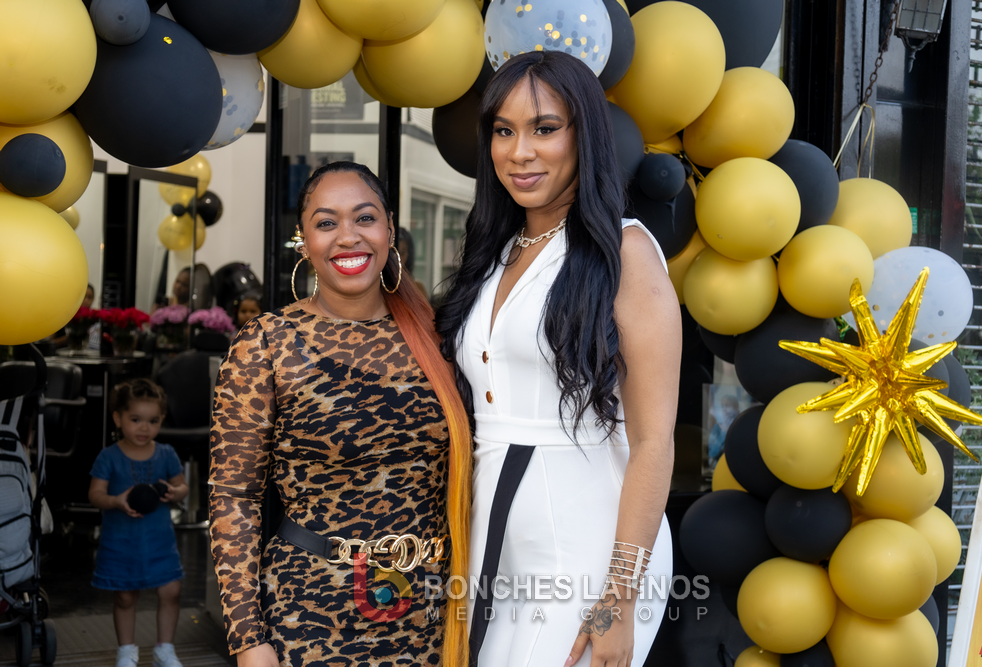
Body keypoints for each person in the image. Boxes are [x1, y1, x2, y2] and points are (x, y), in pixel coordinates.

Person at [436, 51, 681, 666]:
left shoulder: (624, 252)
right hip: (494, 540)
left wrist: (618, 599)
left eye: (544, 128)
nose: (520, 152)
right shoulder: (493, 251)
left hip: (591, 548)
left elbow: (654, 441)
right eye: (504, 131)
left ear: (583, 135)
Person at [209, 162, 472, 667]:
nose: (348, 237)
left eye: (364, 218)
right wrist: (247, 639)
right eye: (326, 223)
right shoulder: (266, 343)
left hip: (431, 611)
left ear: (389, 229)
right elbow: (233, 498)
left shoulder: (442, 337)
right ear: (304, 241)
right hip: (309, 612)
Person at [87, 379, 189, 667]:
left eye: (153, 421)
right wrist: (117, 501)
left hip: (159, 541)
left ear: (161, 420)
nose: (144, 428)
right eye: (136, 420)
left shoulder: (166, 453)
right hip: (121, 542)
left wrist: (175, 492)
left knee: (172, 591)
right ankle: (126, 651)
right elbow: (95, 495)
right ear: (118, 418)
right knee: (125, 597)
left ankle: (164, 650)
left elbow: (183, 486)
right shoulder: (108, 456)